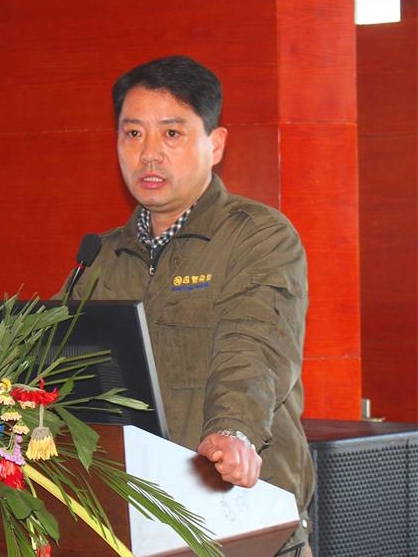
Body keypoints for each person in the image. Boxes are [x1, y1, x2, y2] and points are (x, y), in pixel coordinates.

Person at [64, 55, 315, 557]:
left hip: (241, 521)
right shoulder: (100, 257)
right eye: (133, 134)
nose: (148, 154)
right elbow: (55, 360)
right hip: (134, 526)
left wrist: (232, 430)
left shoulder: (258, 237)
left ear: (215, 144)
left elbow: (254, 347)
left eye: (172, 133)